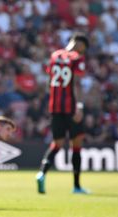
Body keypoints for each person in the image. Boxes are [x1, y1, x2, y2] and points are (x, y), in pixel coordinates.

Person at [36, 33, 90, 194]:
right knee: (77, 144)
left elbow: (49, 79)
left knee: (57, 143)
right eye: (83, 48)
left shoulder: (54, 56)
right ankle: (77, 186)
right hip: (71, 108)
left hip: (55, 108)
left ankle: (41, 173)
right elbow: (78, 83)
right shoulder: (77, 58)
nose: (83, 52)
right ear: (80, 45)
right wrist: (79, 106)